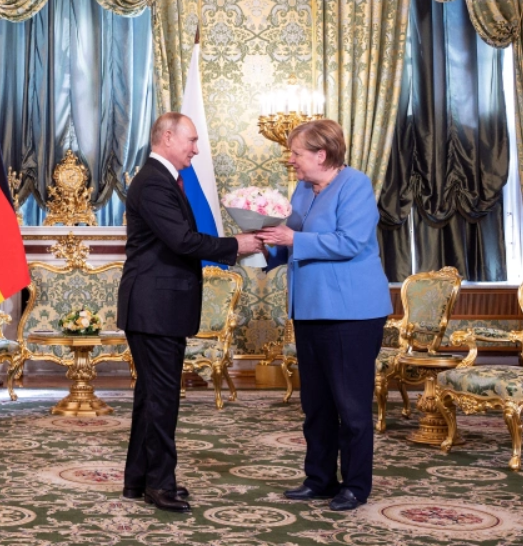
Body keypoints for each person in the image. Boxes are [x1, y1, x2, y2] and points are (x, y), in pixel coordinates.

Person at [117, 112, 262, 513]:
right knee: (162, 399)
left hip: (157, 308)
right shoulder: (153, 182)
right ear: (167, 137)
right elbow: (182, 241)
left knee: (151, 397)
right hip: (154, 309)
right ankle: (159, 484)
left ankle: (138, 481)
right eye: (191, 140)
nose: (196, 149)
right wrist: (236, 245)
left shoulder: (161, 179)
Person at [257, 119, 392, 511]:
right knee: (316, 405)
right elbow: (291, 241)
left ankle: (355, 486)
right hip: (310, 309)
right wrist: (263, 246)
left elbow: (350, 242)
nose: (291, 160)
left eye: (296, 153)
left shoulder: (355, 185)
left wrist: (293, 239)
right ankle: (319, 479)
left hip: (352, 313)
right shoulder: (302, 189)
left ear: (321, 154)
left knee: (351, 407)